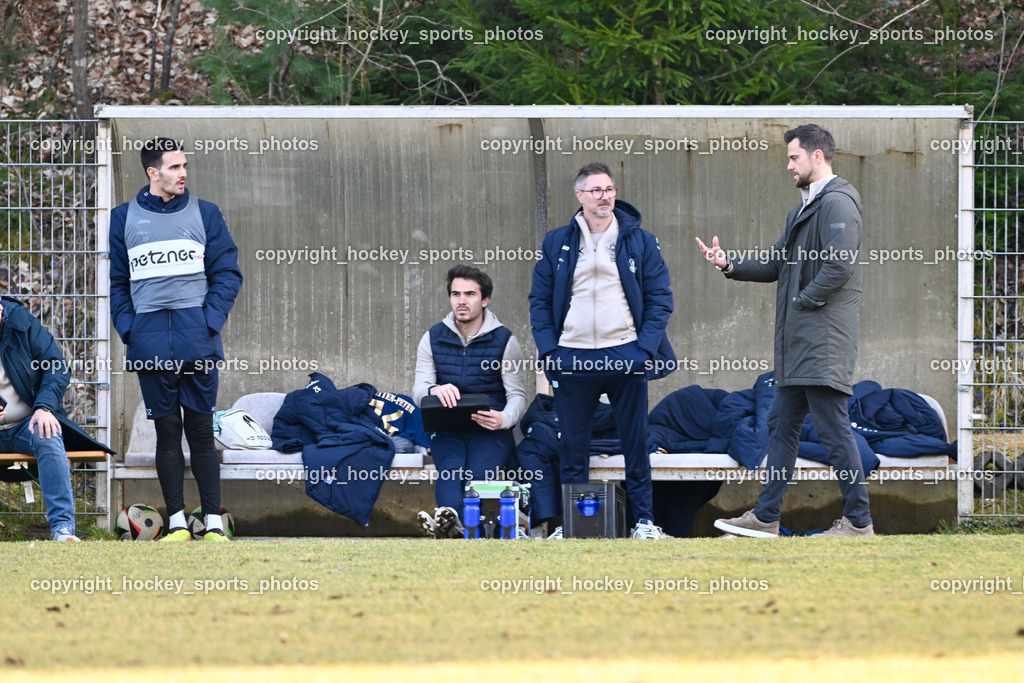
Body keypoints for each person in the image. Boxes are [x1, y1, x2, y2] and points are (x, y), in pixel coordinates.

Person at [696, 123, 873, 538]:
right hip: (800, 344)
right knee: (780, 424)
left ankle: (859, 522)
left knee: (833, 431)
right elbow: (777, 263)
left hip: (822, 342)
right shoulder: (804, 209)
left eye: (794, 157)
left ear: (817, 156)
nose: (789, 165)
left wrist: (803, 302)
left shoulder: (838, 202)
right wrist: (729, 264)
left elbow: (840, 266)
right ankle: (766, 516)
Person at [530, 162, 675, 540]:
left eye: (609, 189)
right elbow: (539, 301)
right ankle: (572, 526)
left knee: (636, 445)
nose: (604, 196)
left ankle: (644, 523)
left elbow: (660, 298)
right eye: (595, 190)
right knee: (572, 448)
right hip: (572, 357)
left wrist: (644, 350)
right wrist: (550, 352)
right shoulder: (556, 242)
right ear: (580, 195)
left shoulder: (641, 241)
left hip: (625, 355)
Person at [109, 137, 242, 542]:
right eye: (174, 167)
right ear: (153, 172)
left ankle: (214, 523)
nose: (183, 173)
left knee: (200, 432)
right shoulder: (122, 218)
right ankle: (179, 524)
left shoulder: (206, 213)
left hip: (197, 342)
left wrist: (208, 323)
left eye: (184, 165)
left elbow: (227, 274)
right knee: (167, 434)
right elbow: (118, 282)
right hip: (148, 344)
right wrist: (130, 330)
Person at [413, 265, 527, 538]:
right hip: (447, 427)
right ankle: (455, 524)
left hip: (490, 429)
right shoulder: (432, 337)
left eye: (470, 294)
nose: (461, 301)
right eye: (456, 294)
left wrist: (503, 419)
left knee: (477, 477)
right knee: (450, 471)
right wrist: (434, 390)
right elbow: (418, 390)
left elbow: (518, 396)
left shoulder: (505, 340)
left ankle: (453, 527)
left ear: (485, 299)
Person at [0, 295, 112, 541]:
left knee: (48, 434)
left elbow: (56, 366)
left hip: (27, 423)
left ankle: (62, 528)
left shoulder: (23, 324)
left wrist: (44, 408)